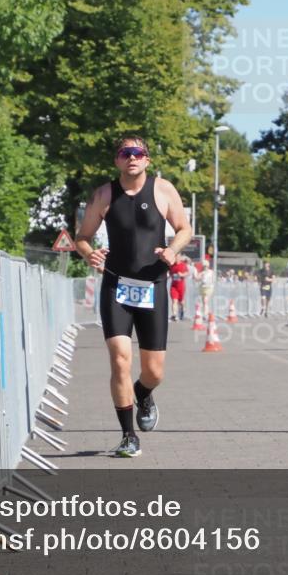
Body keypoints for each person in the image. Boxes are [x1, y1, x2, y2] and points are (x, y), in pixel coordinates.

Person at [74, 137, 192, 458]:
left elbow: (184, 229)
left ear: (147, 160)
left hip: (153, 286)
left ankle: (144, 393)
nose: (132, 158)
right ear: (117, 160)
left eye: (138, 153)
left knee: (154, 372)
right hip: (116, 286)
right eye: (126, 153)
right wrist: (89, 254)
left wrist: (171, 250)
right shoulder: (103, 195)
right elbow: (82, 237)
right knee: (120, 360)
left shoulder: (163, 190)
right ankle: (128, 436)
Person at [169, 255, 188, 321]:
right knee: (174, 300)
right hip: (174, 286)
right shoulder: (172, 266)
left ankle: (182, 311)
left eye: (177, 258)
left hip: (181, 286)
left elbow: (187, 273)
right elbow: (170, 274)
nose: (176, 259)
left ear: (179, 258)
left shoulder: (183, 265)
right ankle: (174, 315)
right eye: (175, 258)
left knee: (181, 302)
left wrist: (182, 275)